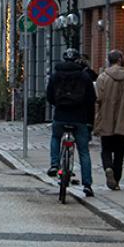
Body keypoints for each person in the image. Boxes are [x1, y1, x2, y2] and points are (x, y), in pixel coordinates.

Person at [45, 47, 98, 197]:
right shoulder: (84, 76)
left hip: (61, 116)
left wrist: (58, 105)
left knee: (56, 137)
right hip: (79, 118)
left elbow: (49, 96)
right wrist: (89, 122)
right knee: (83, 151)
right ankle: (87, 185)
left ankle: (54, 164)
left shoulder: (56, 75)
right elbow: (91, 100)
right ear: (77, 59)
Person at [93, 49, 124, 190]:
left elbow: (98, 97)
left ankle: (108, 167)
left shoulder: (103, 77)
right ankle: (116, 181)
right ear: (120, 60)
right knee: (120, 152)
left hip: (106, 118)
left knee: (106, 149)